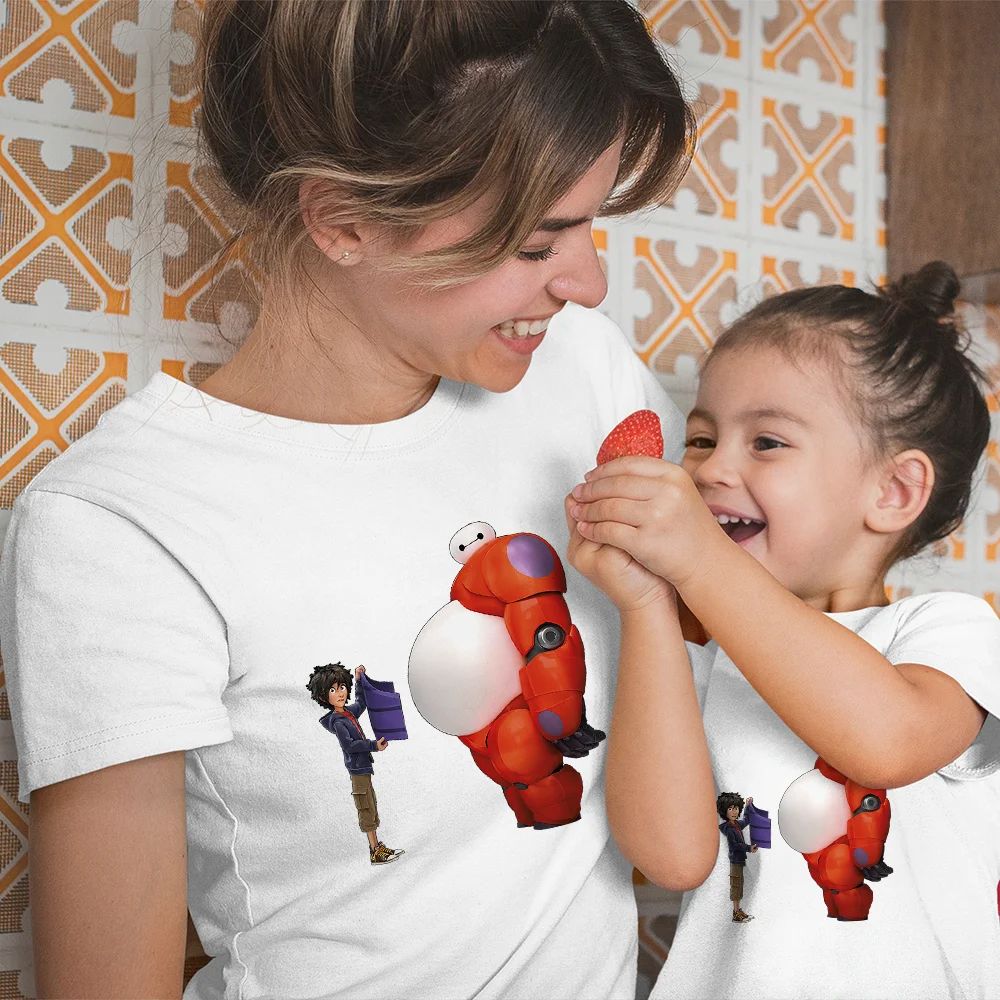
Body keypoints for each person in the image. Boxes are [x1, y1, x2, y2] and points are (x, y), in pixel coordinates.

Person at [0, 2, 697, 997]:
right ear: (343, 221)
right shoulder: (122, 524)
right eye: (538, 243)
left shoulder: (584, 375)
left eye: (587, 226)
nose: (585, 284)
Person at [566, 261, 1000, 998]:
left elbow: (886, 741)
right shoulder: (696, 654)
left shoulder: (947, 631)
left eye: (766, 442)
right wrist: (644, 608)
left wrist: (701, 562)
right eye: (701, 440)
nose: (709, 470)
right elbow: (671, 857)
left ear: (894, 492)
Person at [307, 663, 403, 864]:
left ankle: (377, 846)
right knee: (366, 808)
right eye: (333, 690)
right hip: (357, 770)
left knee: (371, 805)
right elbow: (349, 745)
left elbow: (361, 702)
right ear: (324, 697)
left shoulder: (348, 713)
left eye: (342, 687)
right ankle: (374, 851)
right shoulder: (338, 721)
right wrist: (373, 745)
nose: (340, 693)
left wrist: (359, 680)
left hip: (364, 768)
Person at [716, 792, 757, 922]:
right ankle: (736, 913)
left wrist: (748, 807)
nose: (734, 812)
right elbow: (735, 845)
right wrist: (748, 848)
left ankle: (738, 911)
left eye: (736, 808)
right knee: (736, 886)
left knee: (739, 885)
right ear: (724, 811)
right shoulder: (729, 829)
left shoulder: (737, 825)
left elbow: (746, 820)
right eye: (730, 809)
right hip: (735, 861)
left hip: (739, 860)